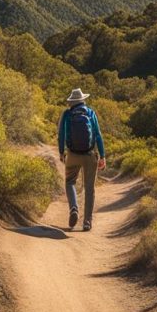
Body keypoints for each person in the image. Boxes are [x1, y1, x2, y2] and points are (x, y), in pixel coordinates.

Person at [57, 88, 106, 231]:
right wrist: (102, 155)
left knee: (70, 182)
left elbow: (61, 134)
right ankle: (87, 222)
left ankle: (74, 208)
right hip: (90, 155)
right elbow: (97, 135)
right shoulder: (90, 113)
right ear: (83, 100)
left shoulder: (66, 114)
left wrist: (61, 152)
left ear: (71, 102)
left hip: (72, 155)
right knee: (89, 189)